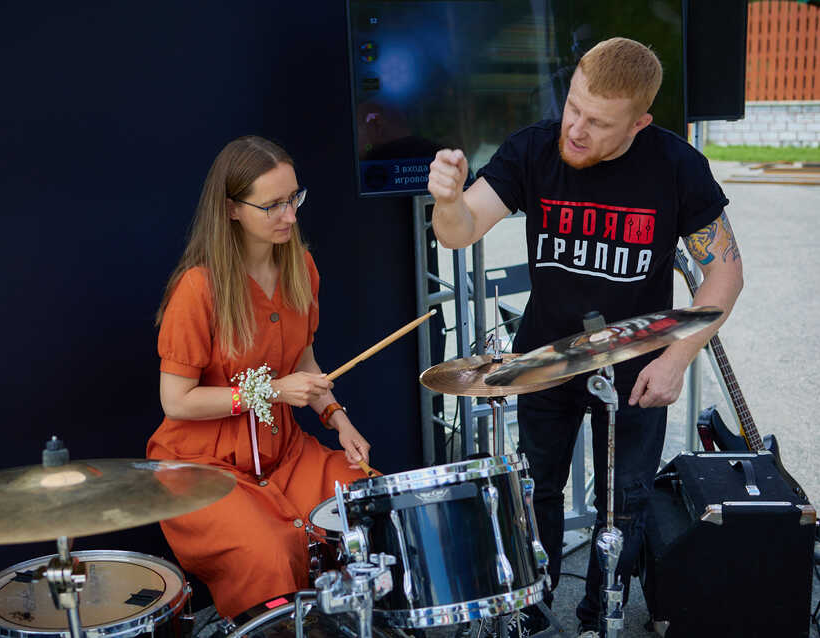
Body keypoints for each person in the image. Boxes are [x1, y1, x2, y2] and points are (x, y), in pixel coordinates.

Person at [427, 38, 743, 636]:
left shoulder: (677, 166)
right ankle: (533, 608)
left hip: (636, 365)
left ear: (640, 123)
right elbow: (459, 231)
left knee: (625, 503)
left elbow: (724, 270)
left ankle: (604, 614)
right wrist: (446, 200)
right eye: (573, 107)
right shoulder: (533, 150)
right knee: (536, 489)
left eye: (598, 123)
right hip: (546, 357)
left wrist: (679, 357)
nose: (575, 129)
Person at [147, 135, 371, 619]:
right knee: (268, 553)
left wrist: (337, 418)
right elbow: (176, 401)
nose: (289, 215)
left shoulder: (301, 268)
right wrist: (269, 390)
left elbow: (304, 360)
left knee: (368, 503)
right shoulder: (198, 288)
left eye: (294, 198)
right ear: (231, 209)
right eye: (272, 205)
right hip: (202, 468)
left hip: (283, 453)